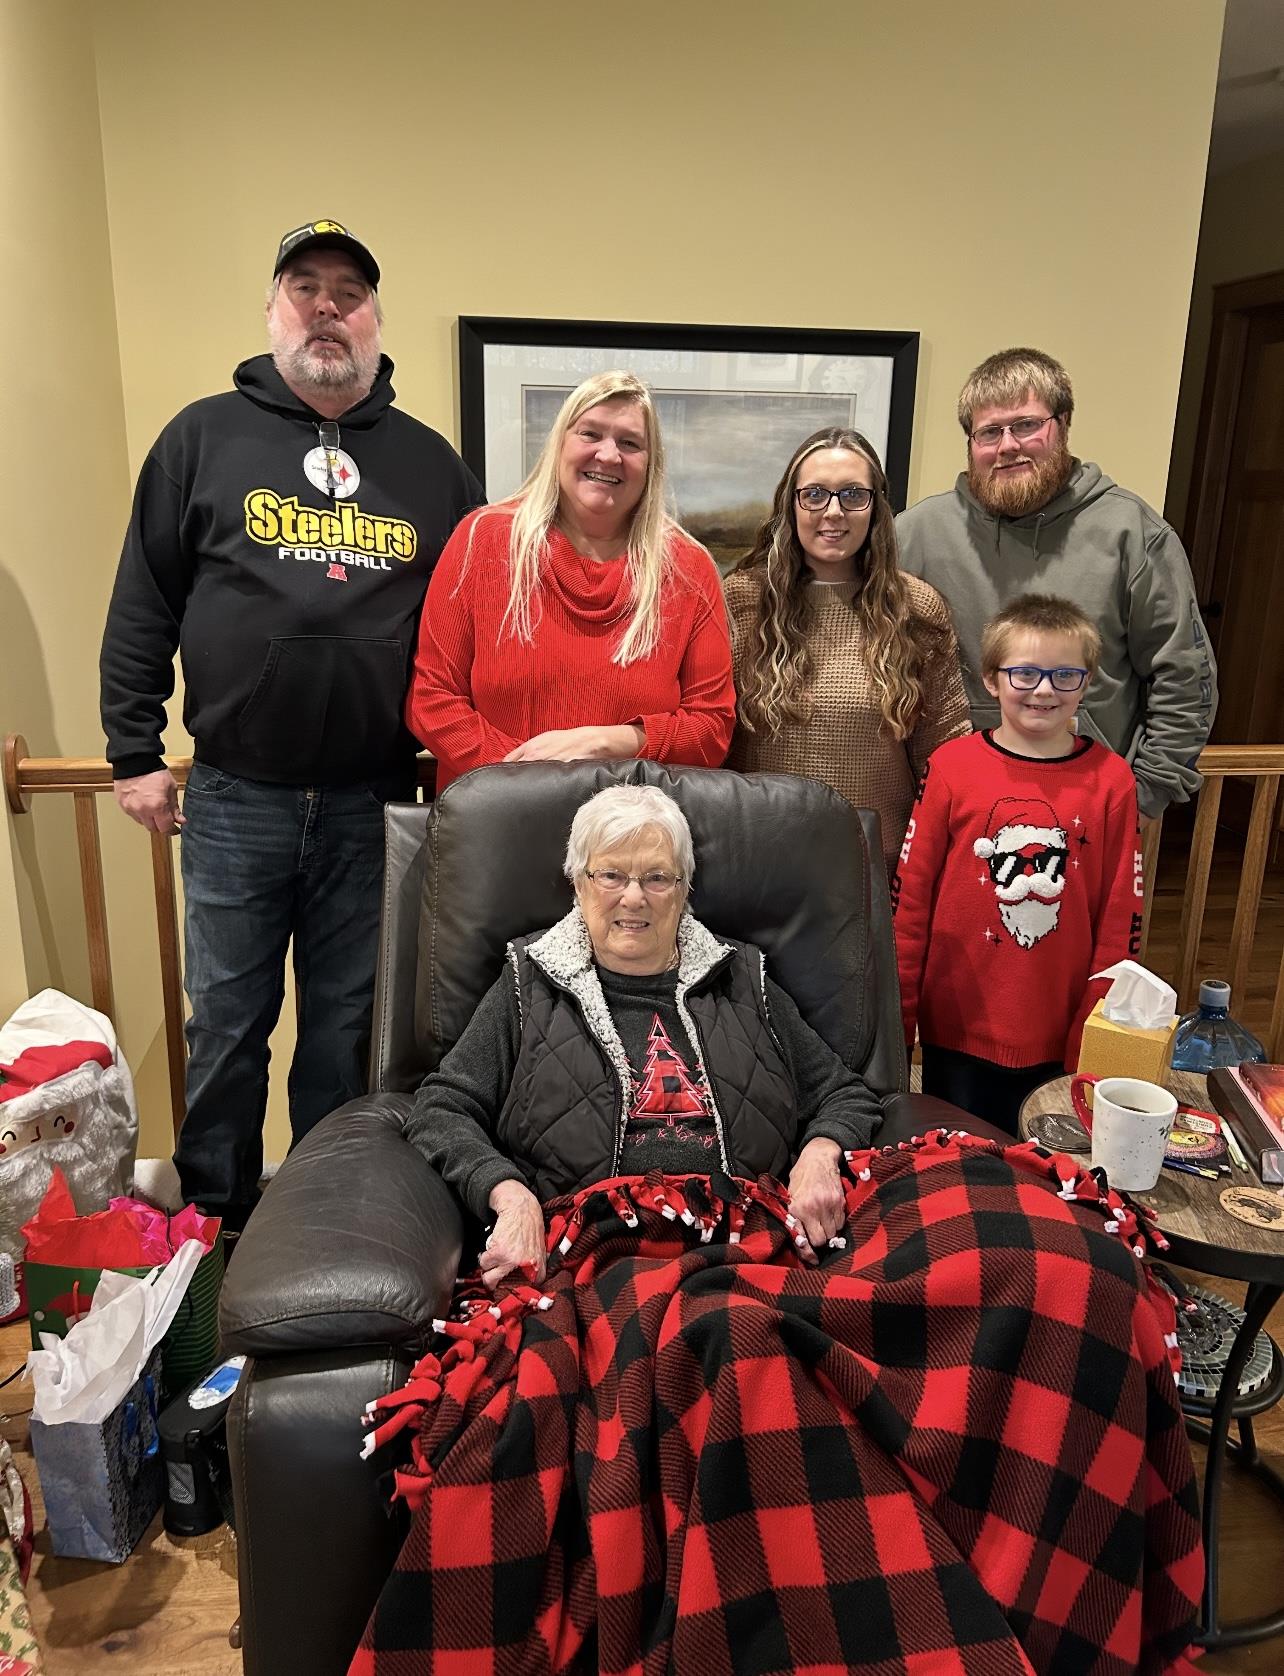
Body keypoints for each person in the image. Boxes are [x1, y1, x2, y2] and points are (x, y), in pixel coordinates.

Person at [350, 784, 1200, 1675]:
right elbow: (441, 1105)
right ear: (576, 883)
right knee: (732, 1339)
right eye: (612, 876)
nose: (634, 898)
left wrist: (821, 1154)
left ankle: (1058, 1593)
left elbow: (843, 1089)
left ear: (686, 889)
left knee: (1059, 1263)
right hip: (616, 1245)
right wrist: (509, 1195)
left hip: (767, 1223)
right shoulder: (526, 986)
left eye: (658, 879)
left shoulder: (744, 977)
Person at [99, 219, 483, 1230]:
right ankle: (217, 1222)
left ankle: (325, 1218)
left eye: (347, 293)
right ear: (273, 310)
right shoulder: (201, 437)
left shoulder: (432, 465)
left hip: (374, 799)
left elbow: (477, 618)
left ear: (374, 321)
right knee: (226, 1024)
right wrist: (133, 749)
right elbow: (145, 598)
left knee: (346, 1030)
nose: (327, 307)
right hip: (235, 795)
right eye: (305, 287)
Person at [896, 347, 1216, 821]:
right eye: (988, 432)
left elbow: (1184, 678)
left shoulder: (1135, 535)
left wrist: (1143, 797)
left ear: (1062, 425)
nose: (1007, 445)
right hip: (949, 809)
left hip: (1089, 809)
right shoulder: (914, 535)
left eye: (1026, 425)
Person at [406, 371, 735, 791]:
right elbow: (432, 700)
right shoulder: (482, 541)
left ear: (651, 464)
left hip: (632, 837)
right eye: (590, 433)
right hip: (494, 822)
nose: (609, 455)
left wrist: (609, 743)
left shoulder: (689, 569)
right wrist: (533, 780)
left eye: (630, 443)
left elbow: (712, 729)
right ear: (560, 443)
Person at [893, 594, 1142, 1132]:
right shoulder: (952, 767)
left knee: (1046, 1183)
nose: (1044, 690)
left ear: (1088, 681)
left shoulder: (1112, 782)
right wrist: (900, 1022)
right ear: (991, 678)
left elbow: (1121, 922)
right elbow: (911, 904)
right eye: (1024, 673)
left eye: (1064, 675)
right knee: (959, 1168)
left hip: (1059, 1032)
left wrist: (1091, 1033)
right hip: (955, 1027)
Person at [725, 427, 969, 871]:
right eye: (815, 494)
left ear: (875, 507)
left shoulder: (916, 608)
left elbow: (945, 755)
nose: (833, 512)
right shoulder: (743, 602)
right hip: (760, 857)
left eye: (853, 495)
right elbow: (714, 742)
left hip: (876, 863)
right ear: (791, 503)